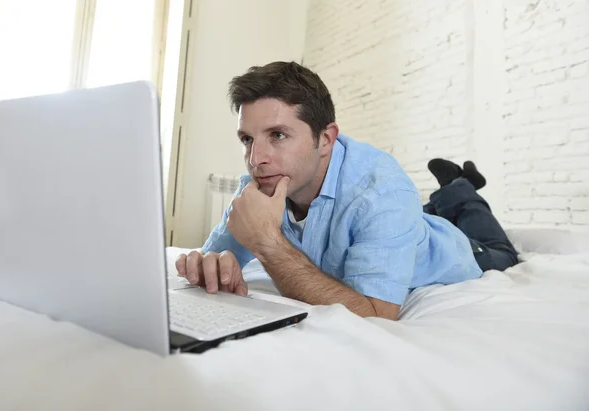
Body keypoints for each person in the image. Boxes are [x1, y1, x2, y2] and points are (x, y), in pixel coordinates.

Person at [175, 61, 517, 321]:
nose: (256, 159)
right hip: (397, 222)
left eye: (277, 135)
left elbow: (376, 316)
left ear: (325, 139)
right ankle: (447, 194)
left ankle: (461, 188)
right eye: (248, 139)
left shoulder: (383, 192)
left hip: (465, 252)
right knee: (416, 216)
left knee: (501, 251)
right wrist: (208, 264)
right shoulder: (262, 183)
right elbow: (216, 259)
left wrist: (267, 243)